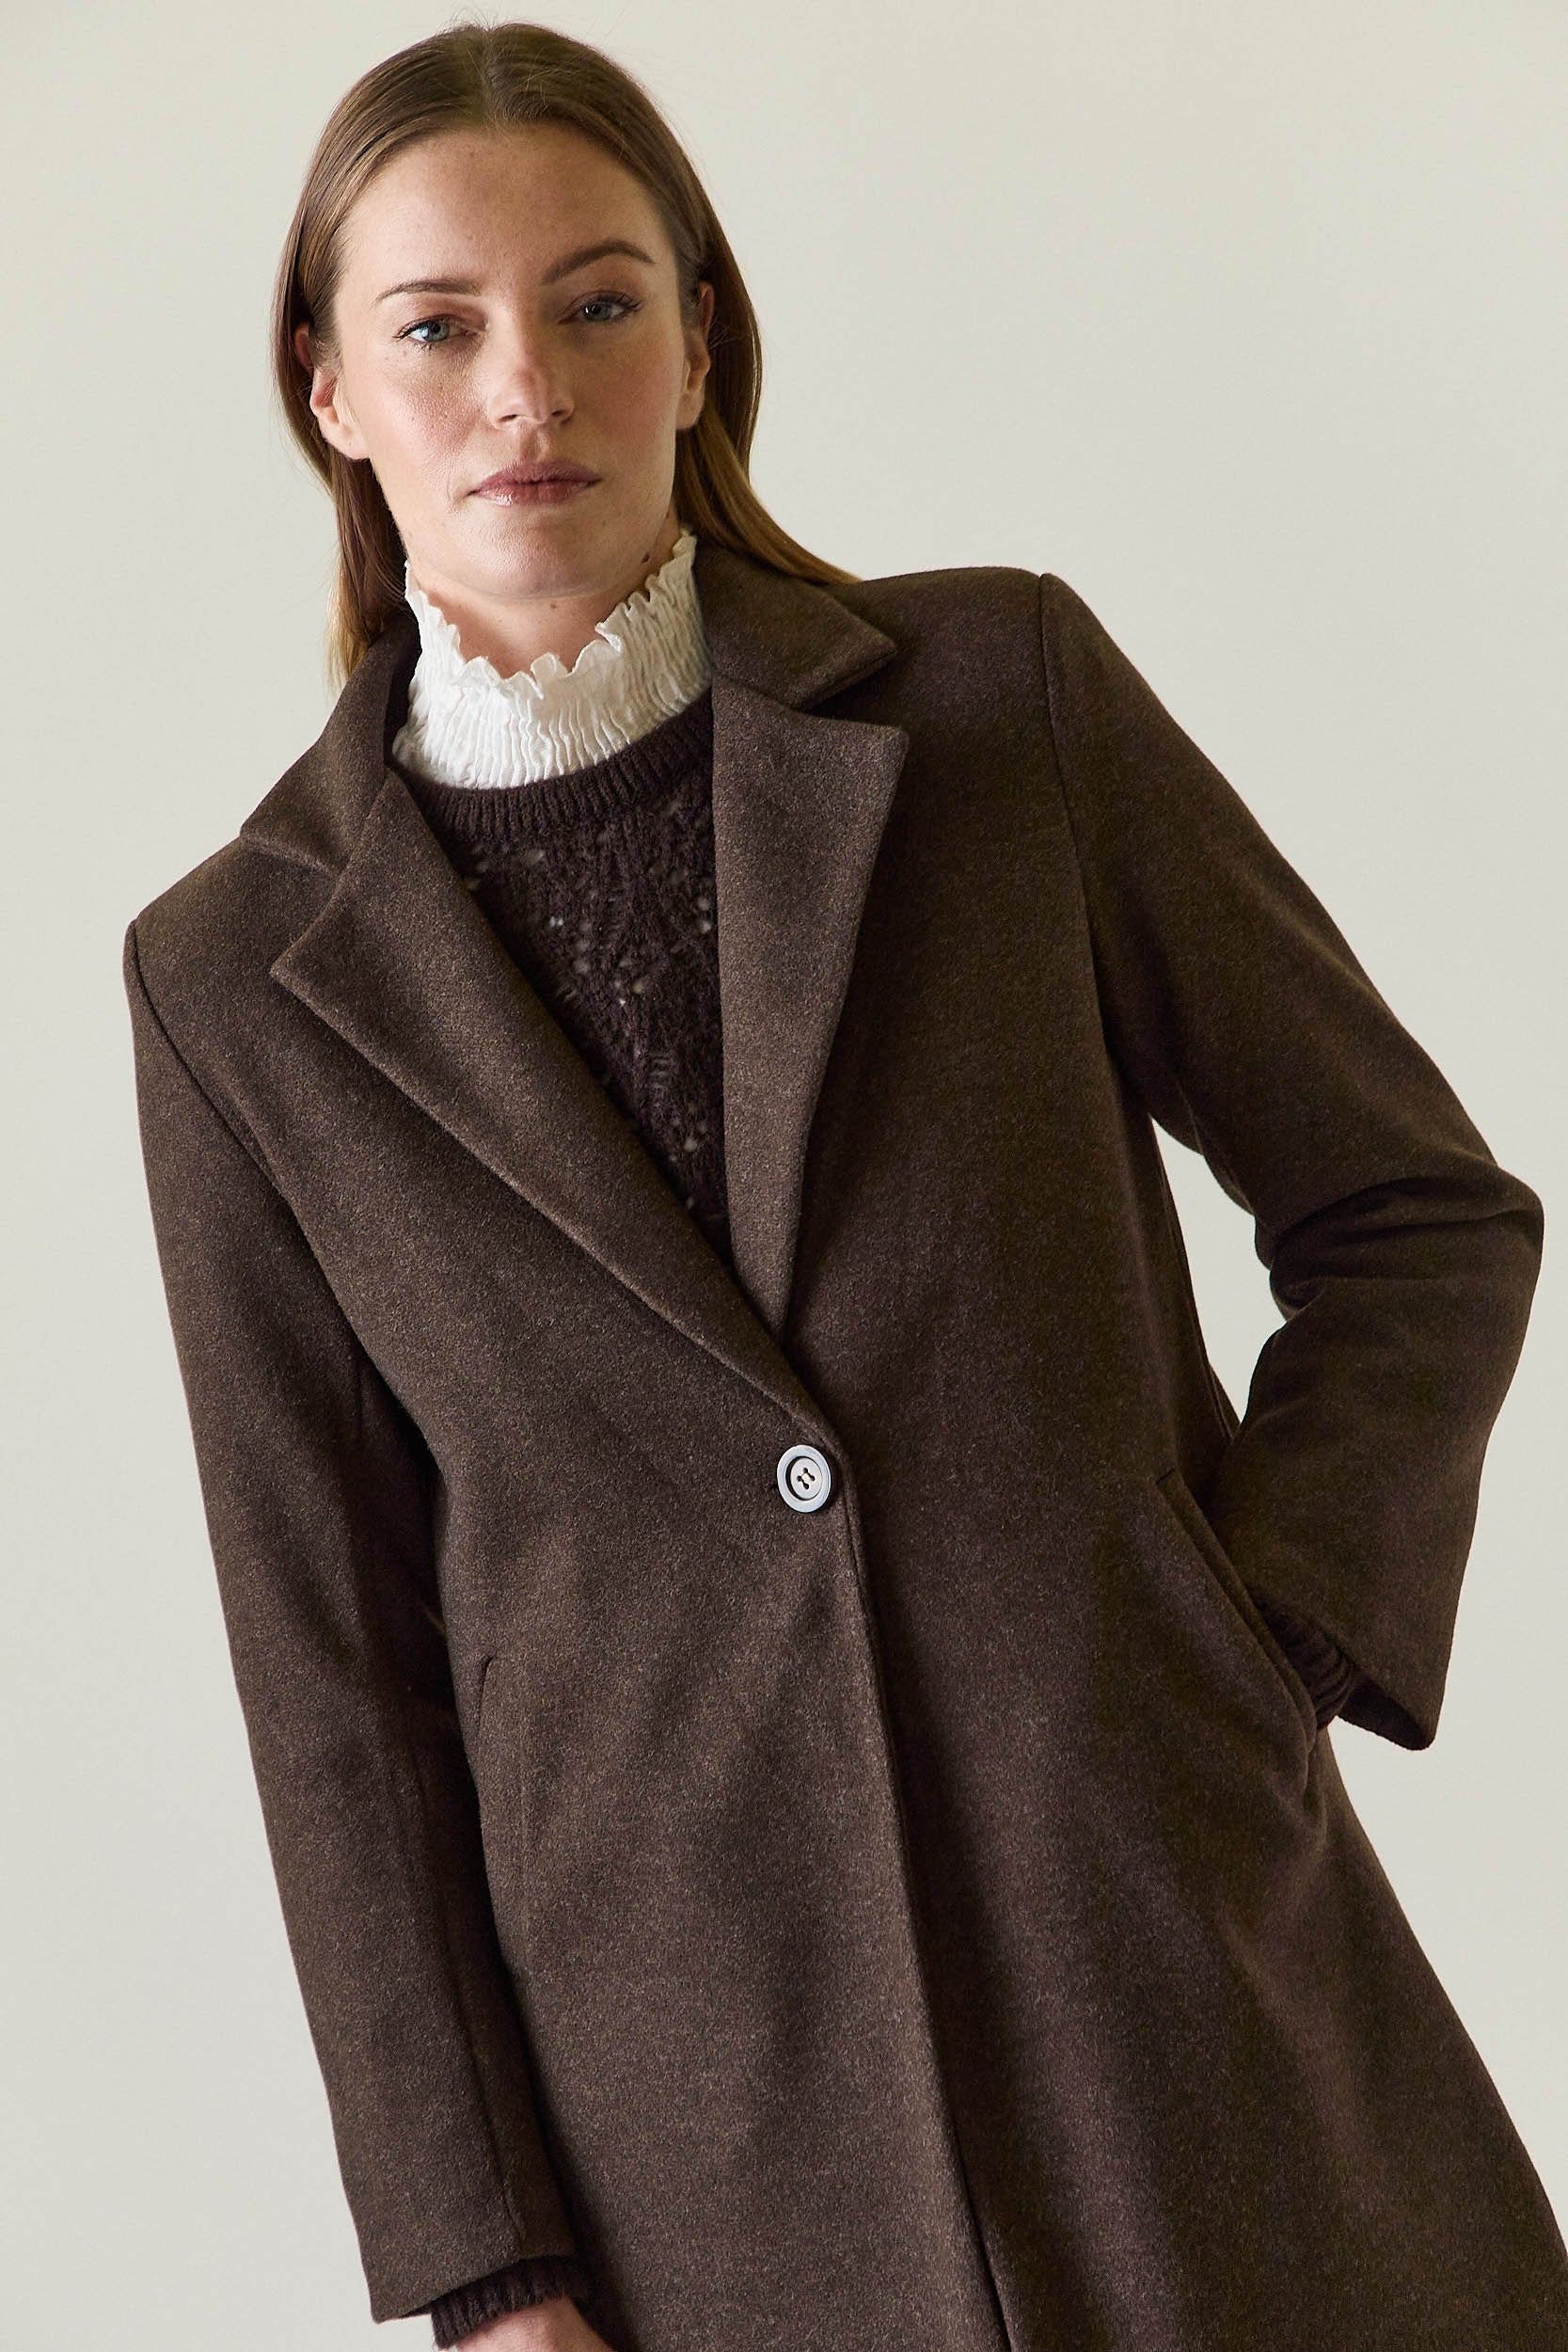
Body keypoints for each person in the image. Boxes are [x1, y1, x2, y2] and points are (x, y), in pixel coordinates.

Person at [122, 21, 1568, 2352]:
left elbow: (1415, 1209)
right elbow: (336, 1677)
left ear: (701, 342)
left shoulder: (1000, 706)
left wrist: (1255, 1641)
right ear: (328, 389)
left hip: (1175, 1999)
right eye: (438, 326)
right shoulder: (235, 982)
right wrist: (487, 2269)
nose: (526, 386)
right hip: (701, 2139)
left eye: (600, 301)